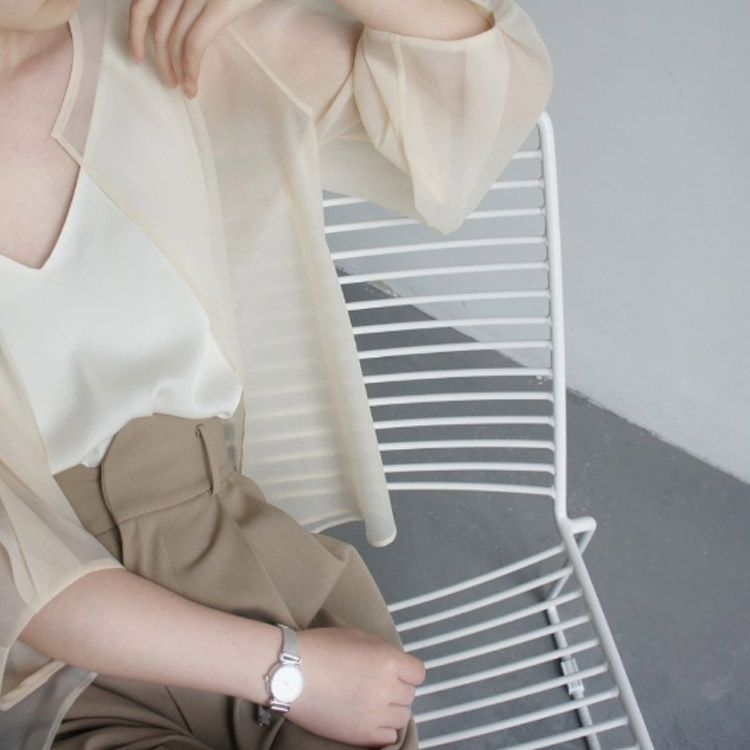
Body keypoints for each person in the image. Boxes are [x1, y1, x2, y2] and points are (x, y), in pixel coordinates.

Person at [0, 0, 554, 748]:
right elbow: (22, 582)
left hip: (241, 567)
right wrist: (292, 672)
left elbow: (477, 105)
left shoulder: (162, 37)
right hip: (45, 666)